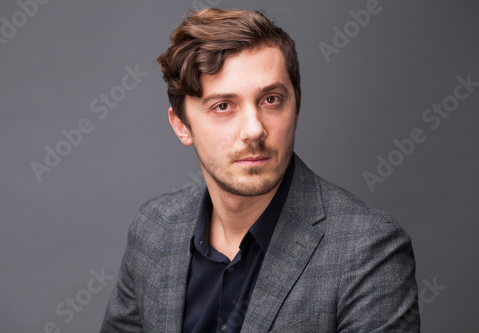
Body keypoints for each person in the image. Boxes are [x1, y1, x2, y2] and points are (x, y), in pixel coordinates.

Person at [100, 8, 420, 333]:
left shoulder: (370, 251)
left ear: (296, 108)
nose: (254, 130)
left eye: (271, 99)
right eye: (223, 106)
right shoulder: (153, 230)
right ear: (182, 126)